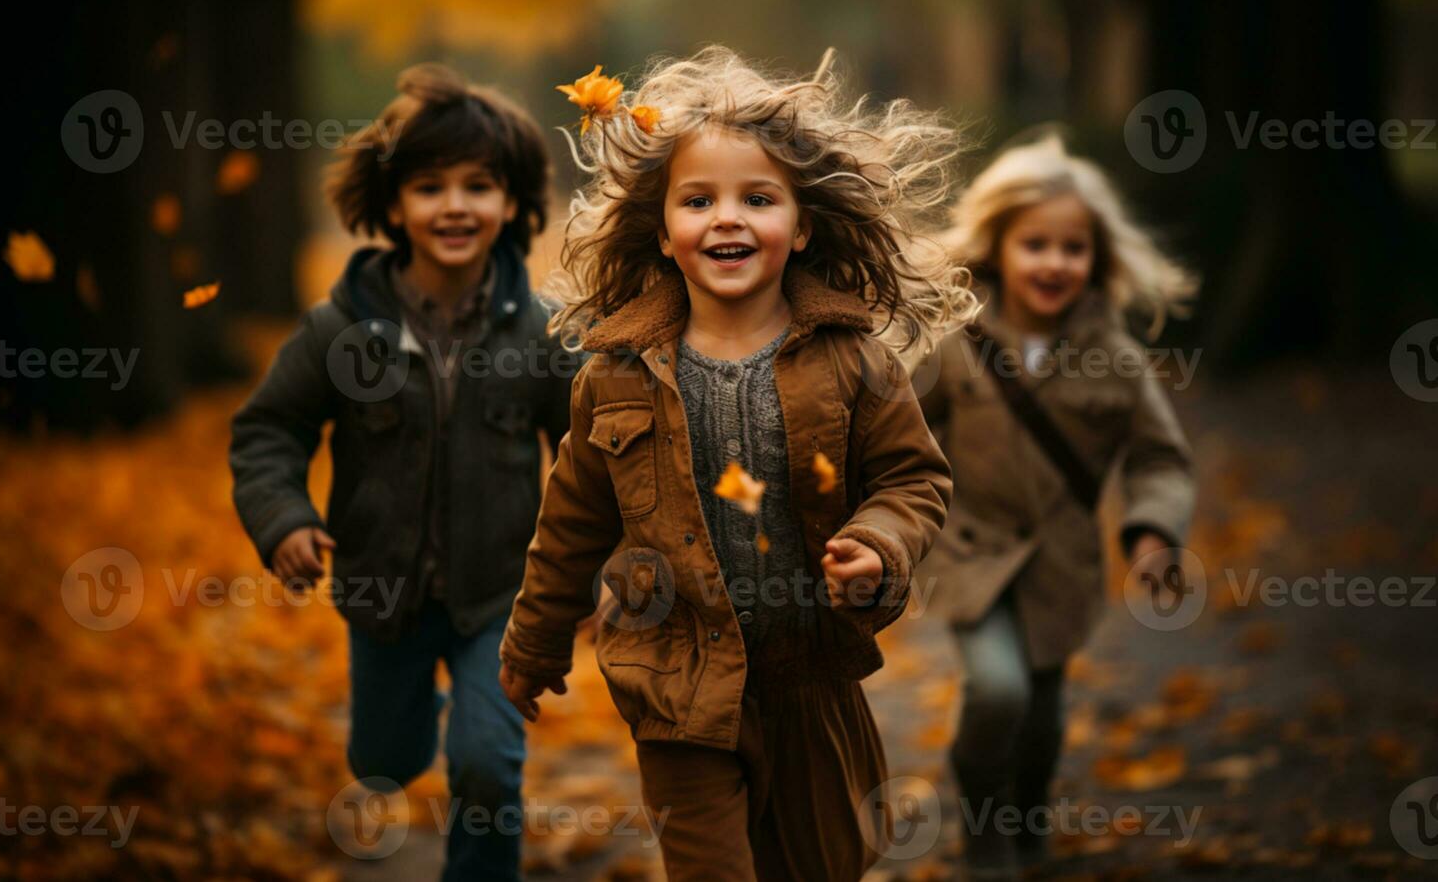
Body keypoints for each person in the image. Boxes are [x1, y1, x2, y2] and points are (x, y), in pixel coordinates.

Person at [496, 47, 976, 881]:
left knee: (827, 865)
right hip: (677, 684)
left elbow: (914, 479)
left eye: (758, 199)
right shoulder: (615, 375)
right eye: (699, 200)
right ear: (662, 229)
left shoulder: (853, 360)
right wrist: (532, 646)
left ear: (804, 226)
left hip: (811, 677)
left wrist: (881, 543)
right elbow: (571, 524)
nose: (727, 218)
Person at [229, 63, 576, 882]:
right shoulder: (340, 330)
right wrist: (284, 519)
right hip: (380, 597)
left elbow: (589, 456)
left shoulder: (543, 333)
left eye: (478, 186)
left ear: (513, 202)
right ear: (391, 205)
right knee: (382, 762)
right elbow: (269, 429)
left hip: (503, 598)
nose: (455, 205)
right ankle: (415, 721)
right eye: (429, 187)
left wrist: (588, 570)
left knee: (489, 765)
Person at [913, 131, 1198, 880]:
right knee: (998, 689)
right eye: (1034, 244)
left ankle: (1028, 817)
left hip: (1061, 563)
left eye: (1072, 248)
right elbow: (900, 435)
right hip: (968, 553)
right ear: (996, 247)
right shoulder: (955, 344)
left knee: (1040, 712)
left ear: (1097, 260)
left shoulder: (1116, 355)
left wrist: (1151, 533)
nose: (1053, 262)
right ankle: (983, 828)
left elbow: (1157, 456)